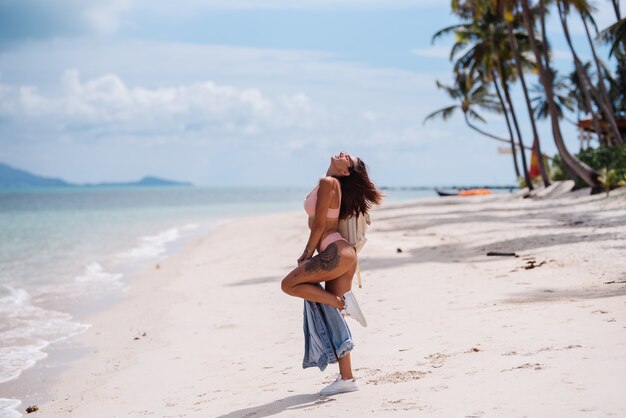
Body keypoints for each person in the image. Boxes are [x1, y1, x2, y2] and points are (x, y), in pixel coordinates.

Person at [281, 151, 383, 396]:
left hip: (336, 251)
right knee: (334, 315)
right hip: (343, 253)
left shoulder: (329, 183)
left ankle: (340, 303)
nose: (344, 154)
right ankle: (347, 379)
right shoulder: (332, 183)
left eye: (350, 159)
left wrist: (306, 253)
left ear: (346, 171)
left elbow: (318, 225)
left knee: (289, 284)